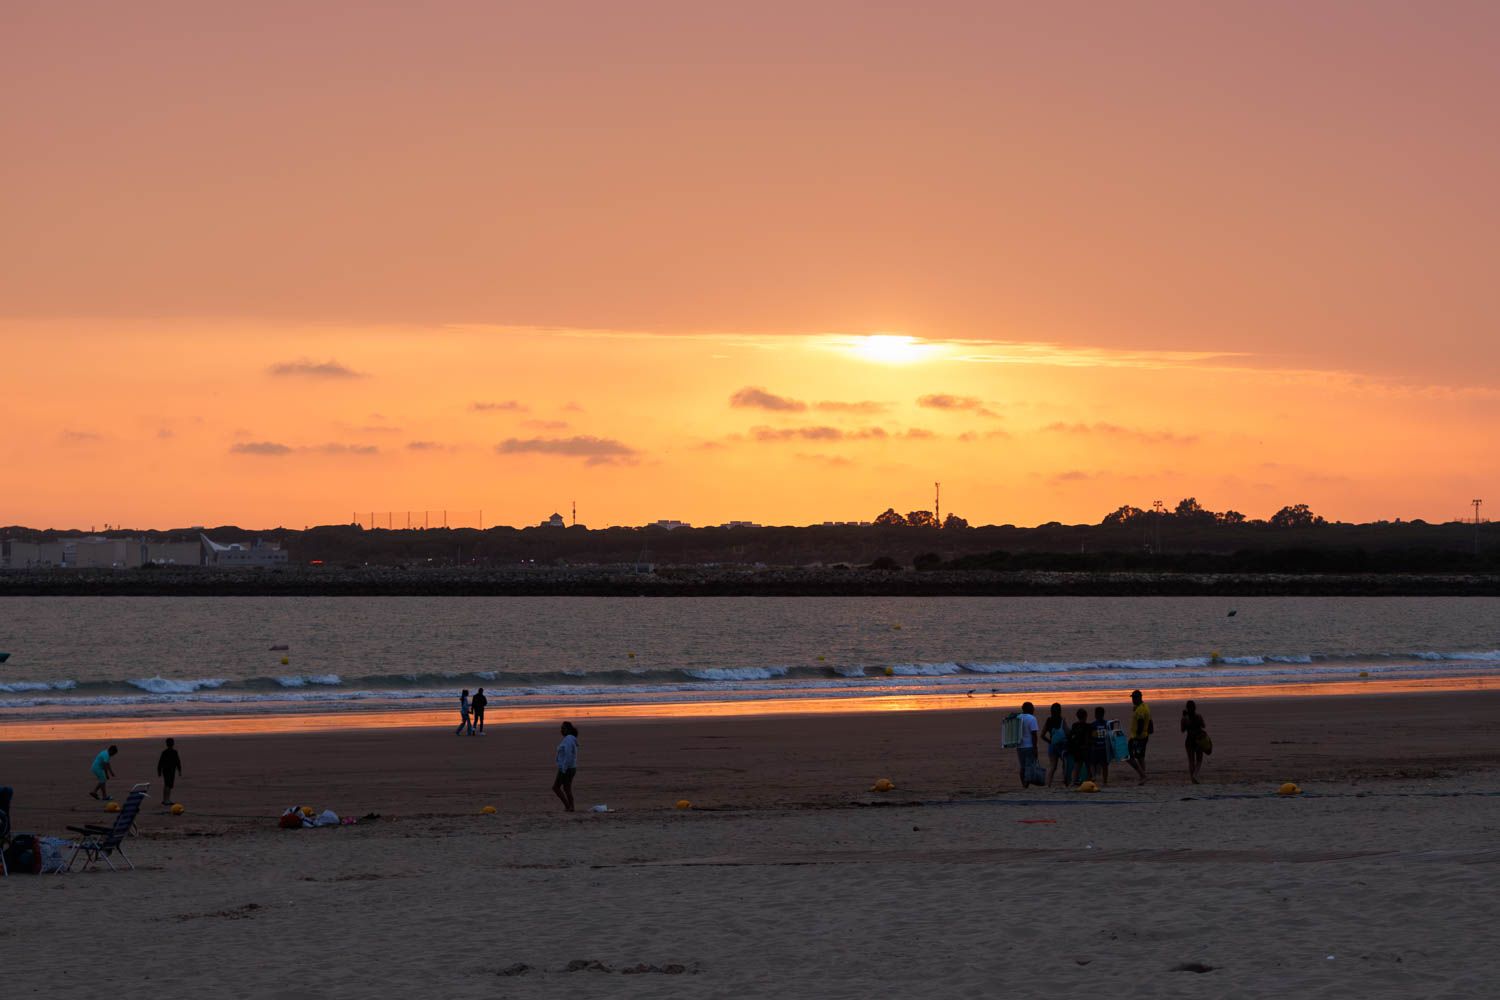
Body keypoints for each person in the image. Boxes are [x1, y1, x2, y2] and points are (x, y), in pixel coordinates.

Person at [1125, 689, 1152, 785]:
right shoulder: (1145, 707)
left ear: (1138, 698)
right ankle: (1143, 777)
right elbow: (1149, 722)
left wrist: (1136, 736)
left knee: (1127, 756)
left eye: (1134, 698)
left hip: (1137, 737)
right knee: (1140, 757)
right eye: (1132, 698)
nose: (1132, 700)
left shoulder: (1140, 710)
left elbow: (1140, 723)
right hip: (1144, 736)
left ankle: (1143, 775)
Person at [552, 722, 579, 812]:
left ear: (568, 730)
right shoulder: (571, 739)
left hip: (567, 768)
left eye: (563, 729)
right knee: (567, 788)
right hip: (571, 767)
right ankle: (571, 807)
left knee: (556, 787)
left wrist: (563, 768)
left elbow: (568, 755)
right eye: (561, 729)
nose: (561, 731)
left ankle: (568, 806)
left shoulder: (568, 740)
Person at [1013, 702, 1040, 788]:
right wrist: (1035, 748)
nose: (1034, 709)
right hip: (1029, 746)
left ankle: (1024, 784)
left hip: (1020, 746)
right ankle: (1026, 784)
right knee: (1029, 766)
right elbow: (1034, 734)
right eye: (1032, 708)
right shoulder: (1032, 718)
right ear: (1029, 709)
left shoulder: (1018, 717)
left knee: (1022, 766)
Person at [1041, 703, 1068, 786]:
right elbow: (1067, 732)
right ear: (1060, 711)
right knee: (1065, 764)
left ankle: (1048, 784)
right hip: (1062, 745)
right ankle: (1066, 781)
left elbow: (1042, 735)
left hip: (1052, 746)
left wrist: (1050, 742)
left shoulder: (1048, 720)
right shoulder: (1062, 720)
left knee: (1053, 766)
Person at [1182, 700, 1208, 784]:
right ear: (1195, 708)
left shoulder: (1184, 718)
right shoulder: (1198, 716)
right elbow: (1203, 725)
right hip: (1198, 740)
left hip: (1189, 740)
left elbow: (1182, 730)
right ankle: (1195, 775)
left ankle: (1192, 779)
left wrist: (1185, 719)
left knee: (1191, 761)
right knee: (1199, 760)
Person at [1067, 708, 1093, 785]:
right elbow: (1089, 738)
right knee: (1088, 766)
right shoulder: (1088, 726)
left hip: (1077, 749)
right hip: (1085, 748)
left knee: (1077, 766)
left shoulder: (1074, 725)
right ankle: (1089, 782)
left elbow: (1071, 735)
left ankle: (1073, 781)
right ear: (1086, 716)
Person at [156, 738, 183, 805]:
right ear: (173, 744)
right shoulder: (174, 752)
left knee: (167, 785)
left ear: (166, 744)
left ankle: (166, 799)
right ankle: (166, 800)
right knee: (168, 785)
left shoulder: (165, 752)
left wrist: (159, 771)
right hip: (170, 771)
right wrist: (179, 770)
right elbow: (178, 762)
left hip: (166, 770)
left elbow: (160, 763)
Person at [1090, 708, 1111, 787]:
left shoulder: (1093, 725)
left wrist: (1092, 744)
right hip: (1104, 748)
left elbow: (1091, 737)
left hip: (1096, 747)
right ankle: (1105, 782)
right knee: (1105, 766)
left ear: (1095, 715)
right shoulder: (1107, 723)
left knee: (1092, 763)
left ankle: (1094, 776)